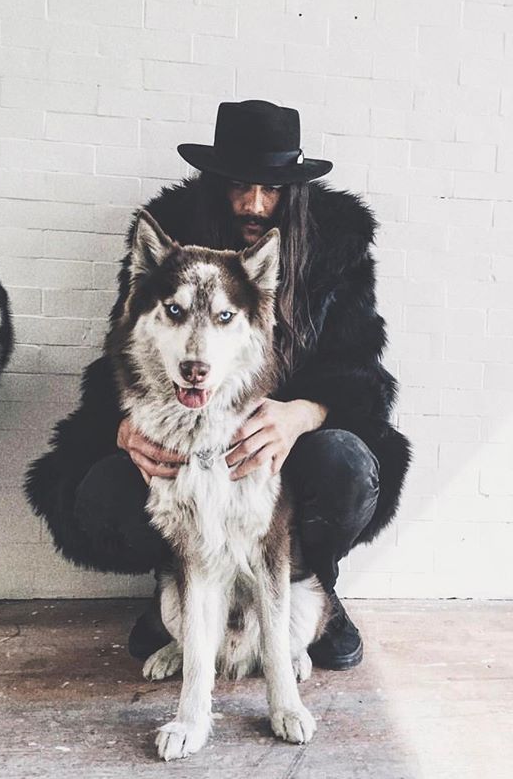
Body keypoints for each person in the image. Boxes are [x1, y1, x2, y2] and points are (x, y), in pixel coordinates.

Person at [25, 100, 411, 671]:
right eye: (239, 186)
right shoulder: (165, 235)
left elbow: (361, 373)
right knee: (100, 489)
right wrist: (123, 426)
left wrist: (302, 414)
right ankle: (182, 590)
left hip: (287, 449)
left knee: (347, 465)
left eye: (271, 189)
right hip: (185, 440)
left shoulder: (337, 248)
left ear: (294, 191)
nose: (255, 205)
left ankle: (312, 586)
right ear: (214, 183)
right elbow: (126, 350)